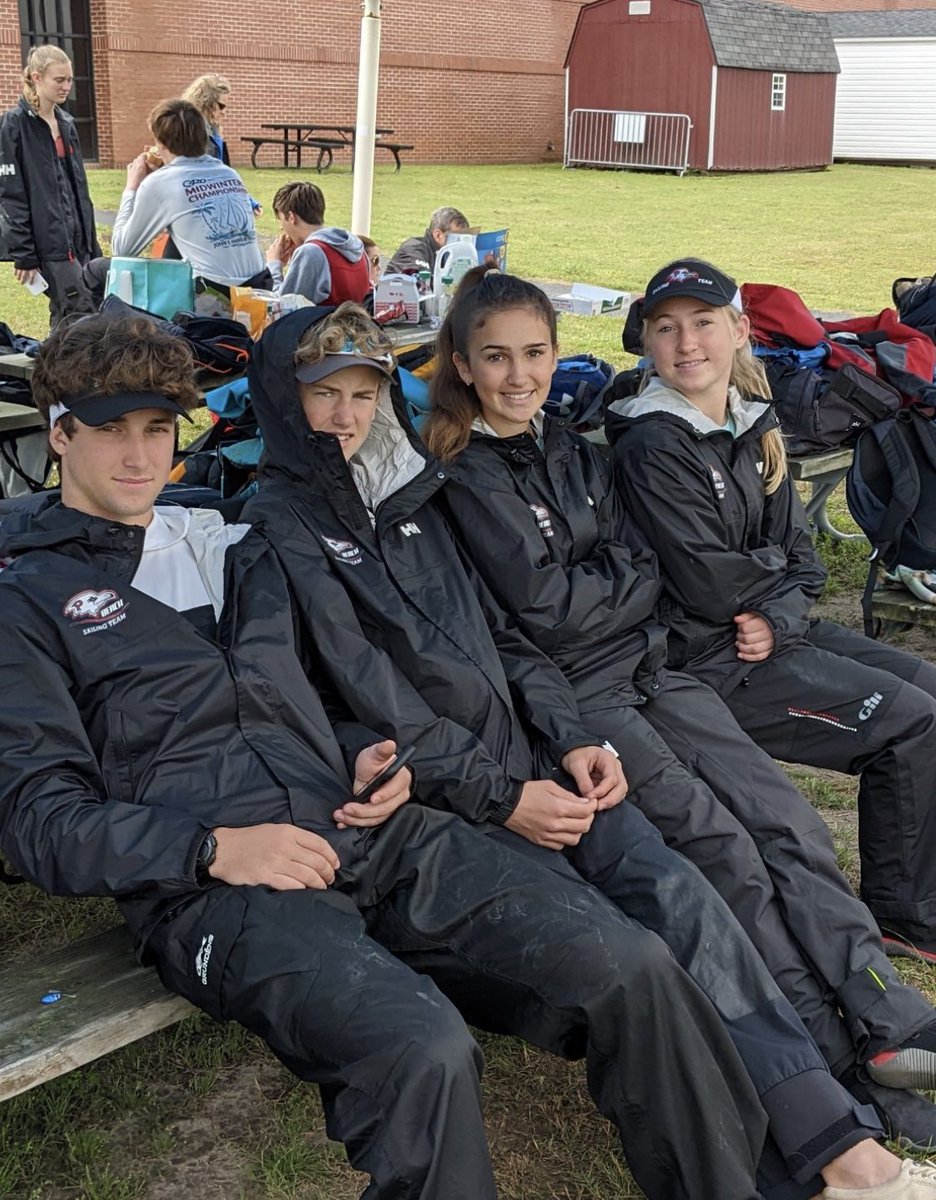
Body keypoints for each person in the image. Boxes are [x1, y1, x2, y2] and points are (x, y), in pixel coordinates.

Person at [0, 314, 825, 1200]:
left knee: (633, 962)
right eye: (110, 430)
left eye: (157, 429)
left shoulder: (228, 545)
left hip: (371, 830)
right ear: (59, 436)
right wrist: (212, 848)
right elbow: (38, 823)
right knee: (423, 1048)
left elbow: (304, 698)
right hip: (216, 888)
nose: (139, 455)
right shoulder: (29, 599)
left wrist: (363, 757)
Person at [240, 301, 936, 1199]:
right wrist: (503, 793)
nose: (345, 416)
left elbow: (509, 641)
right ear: (280, 401)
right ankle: (826, 1146)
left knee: (688, 892)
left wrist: (567, 741)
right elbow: (348, 703)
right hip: (455, 804)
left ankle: (841, 1132)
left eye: (361, 393)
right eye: (321, 396)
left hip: (548, 753)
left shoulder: (409, 501)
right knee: (667, 922)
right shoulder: (275, 535)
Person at [421, 267, 936, 1148]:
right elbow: (544, 612)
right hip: (582, 699)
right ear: (463, 366)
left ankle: (890, 1020)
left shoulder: (572, 449)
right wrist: (614, 584)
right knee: (725, 856)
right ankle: (828, 1048)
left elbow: (643, 571)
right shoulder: (463, 476)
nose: (519, 375)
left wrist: (612, 585)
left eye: (536, 353)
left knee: (789, 827)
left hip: (659, 668)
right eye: (496, 357)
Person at [605, 257, 936, 965]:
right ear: (648, 344)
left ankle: (921, 878)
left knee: (930, 694)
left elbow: (804, 557)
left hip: (770, 634)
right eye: (666, 329)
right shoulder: (651, 443)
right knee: (909, 725)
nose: (687, 343)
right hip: (708, 660)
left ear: (739, 330)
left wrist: (782, 608)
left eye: (703, 324)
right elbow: (709, 587)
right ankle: (904, 915)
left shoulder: (754, 422)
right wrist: (778, 586)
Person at [100, 99, 267, 291]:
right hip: (259, 285)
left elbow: (122, 249)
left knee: (96, 270)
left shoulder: (159, 184)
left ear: (161, 143)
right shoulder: (228, 173)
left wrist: (131, 187)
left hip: (213, 294)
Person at [0, 44, 99, 325]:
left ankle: (52, 367)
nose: (66, 86)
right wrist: (24, 255)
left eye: (69, 79)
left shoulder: (66, 123)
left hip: (80, 242)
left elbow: (79, 189)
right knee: (79, 313)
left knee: (75, 313)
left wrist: (91, 244)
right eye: (59, 79)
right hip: (49, 246)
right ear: (36, 78)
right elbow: (10, 196)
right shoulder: (13, 126)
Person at [265, 182, 369, 305]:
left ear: (291, 217)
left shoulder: (311, 253)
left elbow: (282, 307)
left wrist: (274, 265)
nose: (282, 228)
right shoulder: (356, 246)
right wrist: (296, 260)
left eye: (281, 220)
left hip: (326, 324)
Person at [180, 73, 262, 216]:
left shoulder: (212, 130)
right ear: (206, 102)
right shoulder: (193, 133)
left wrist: (246, 200)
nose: (224, 112)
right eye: (221, 106)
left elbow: (221, 172)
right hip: (196, 206)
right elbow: (212, 176)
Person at [386, 205, 470, 275]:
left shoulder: (449, 256)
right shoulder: (413, 250)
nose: (461, 244)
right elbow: (422, 285)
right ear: (438, 235)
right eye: (456, 238)